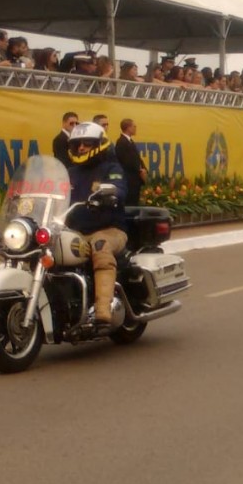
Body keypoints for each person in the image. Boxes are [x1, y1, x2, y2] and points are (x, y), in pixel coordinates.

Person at [65, 122, 129, 328]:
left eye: (87, 143)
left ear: (99, 144)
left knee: (100, 247)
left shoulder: (112, 168)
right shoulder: (70, 173)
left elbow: (119, 187)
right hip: (77, 233)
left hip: (109, 230)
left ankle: (102, 309)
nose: (81, 148)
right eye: (77, 145)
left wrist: (110, 194)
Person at [116, 118, 147, 206]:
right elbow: (127, 161)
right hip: (129, 181)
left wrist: (144, 169)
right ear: (128, 128)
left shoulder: (130, 141)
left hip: (134, 181)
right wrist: (139, 170)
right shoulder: (121, 142)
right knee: (130, 204)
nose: (135, 128)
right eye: (134, 126)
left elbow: (137, 158)